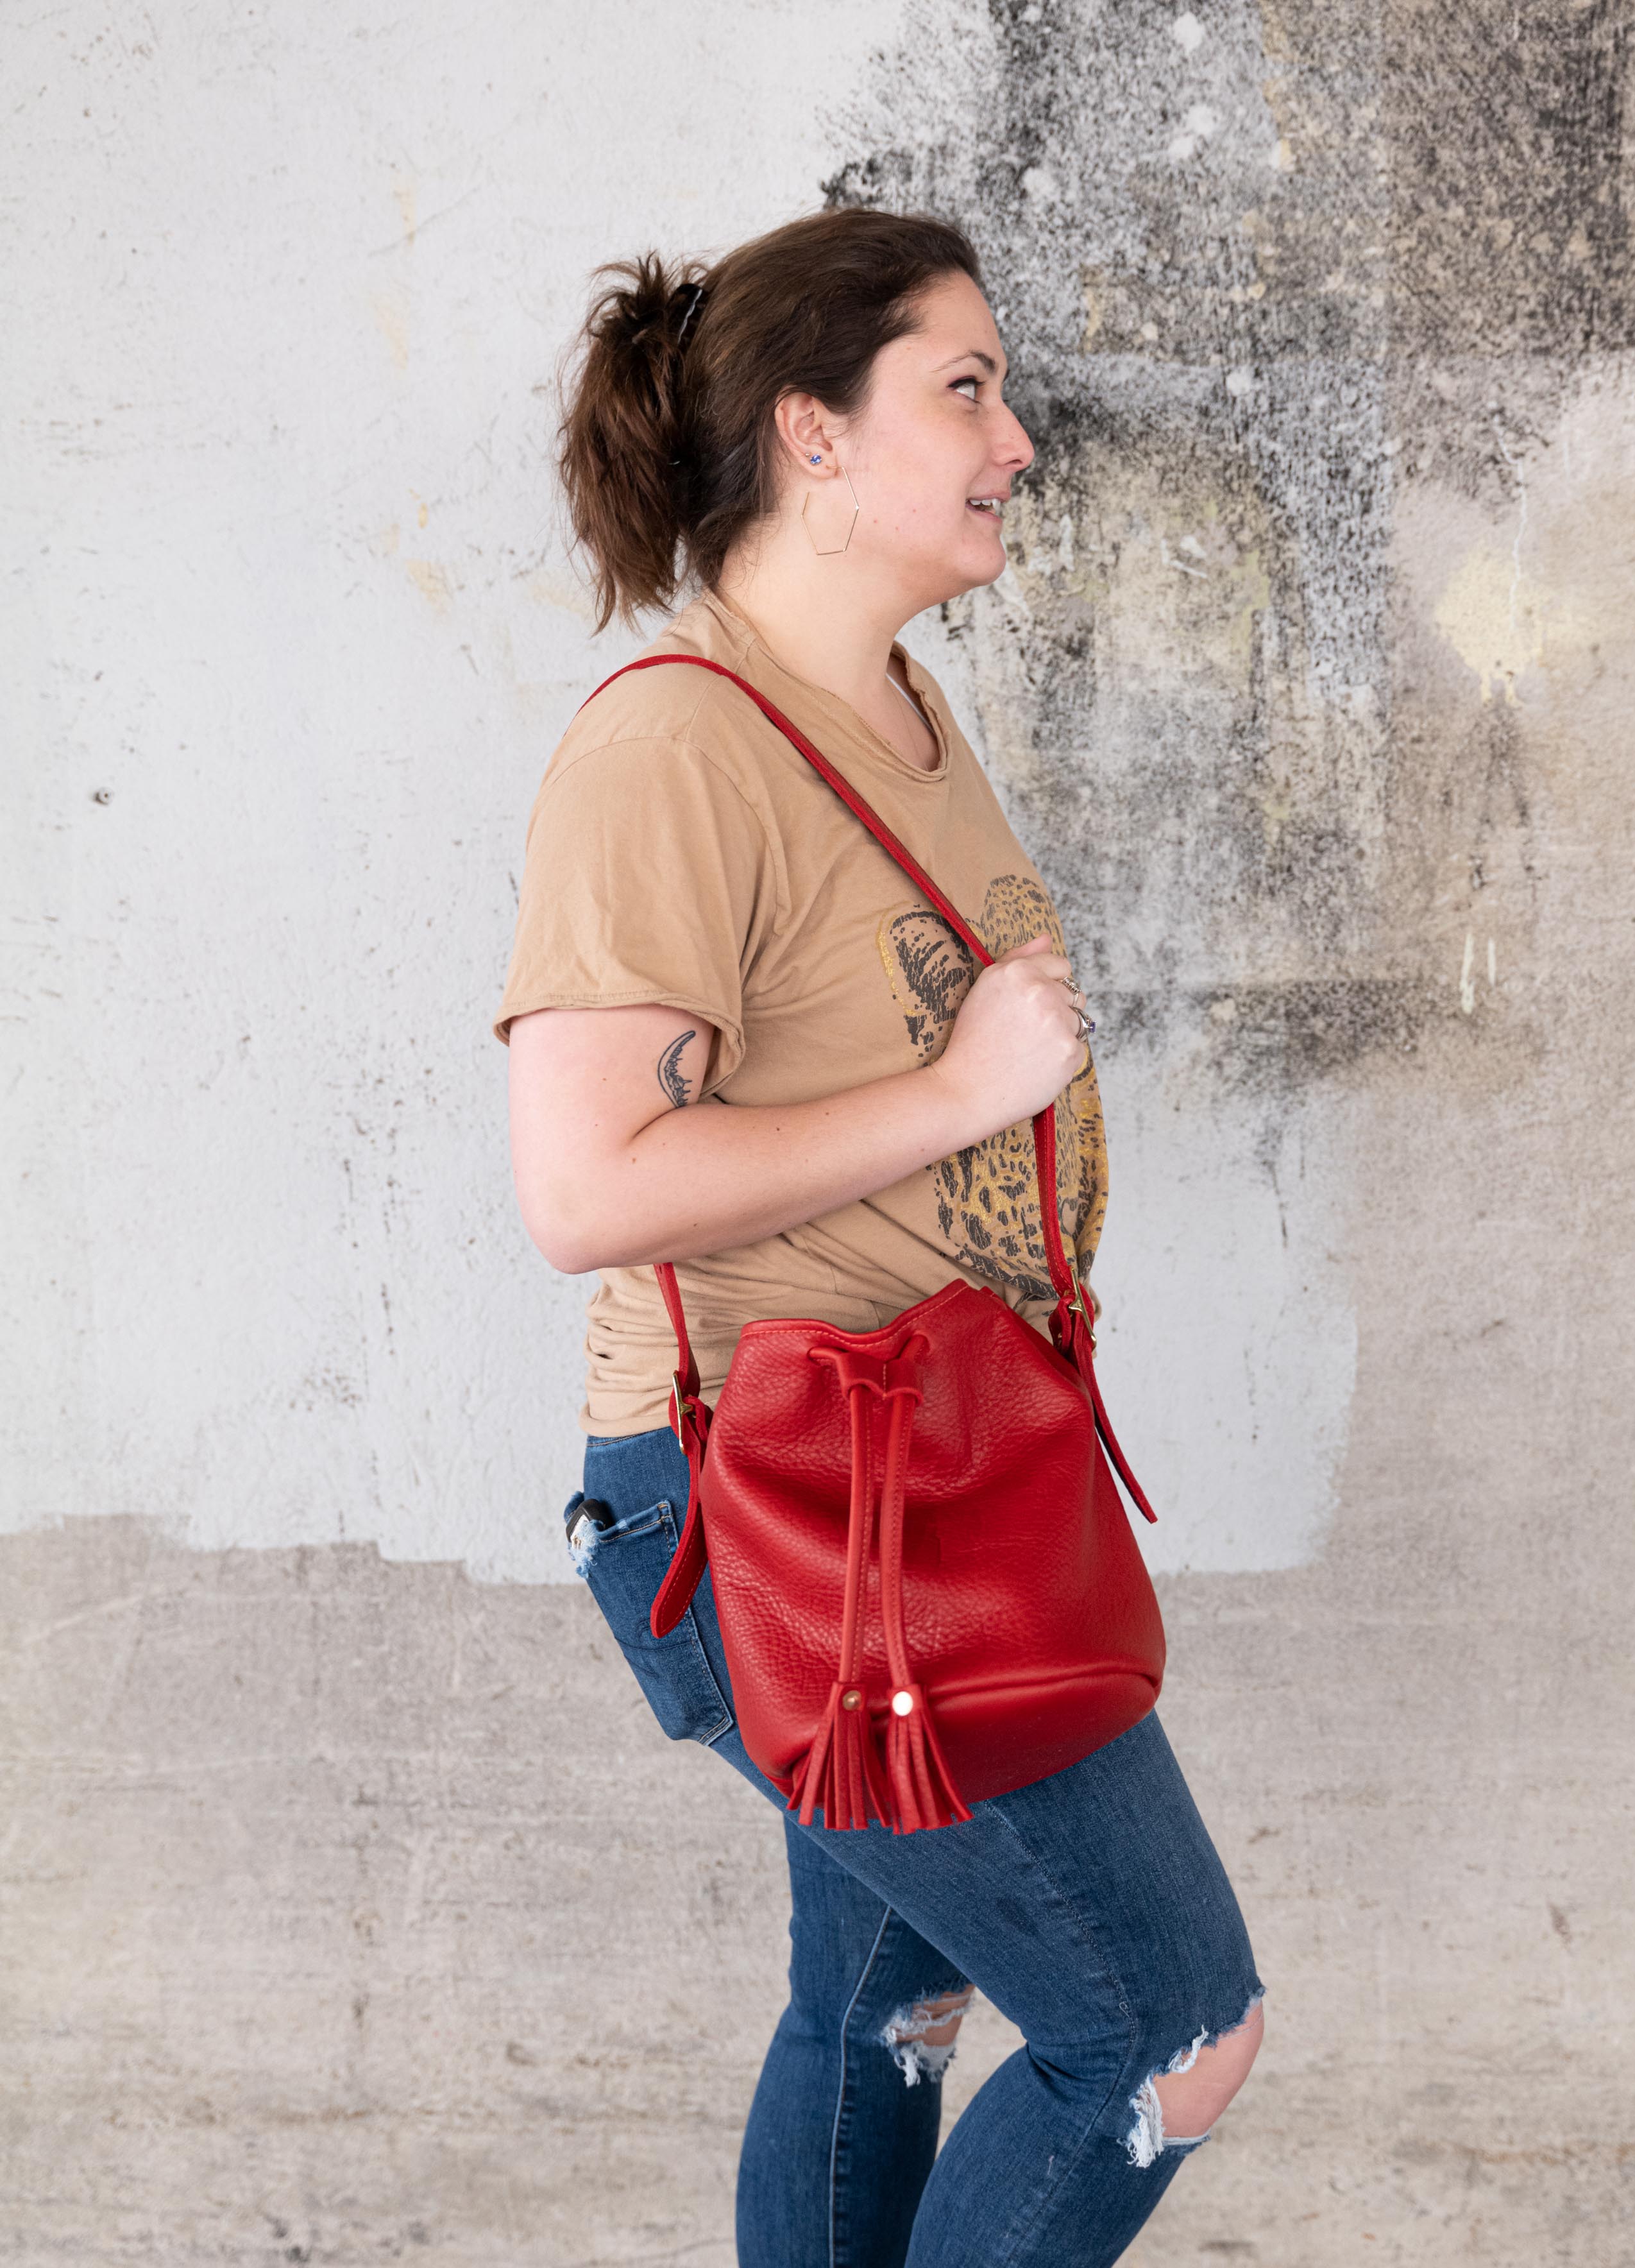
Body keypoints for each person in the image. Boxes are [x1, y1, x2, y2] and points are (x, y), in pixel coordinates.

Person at [495, 206, 1264, 2267]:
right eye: (964, 388)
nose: (1016, 438)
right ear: (808, 436)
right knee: (1165, 2028)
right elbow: (583, 1191)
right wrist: (956, 1098)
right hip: (784, 1506)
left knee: (880, 2004)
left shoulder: (900, 713)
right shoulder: (678, 747)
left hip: (931, 1474)